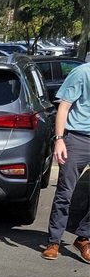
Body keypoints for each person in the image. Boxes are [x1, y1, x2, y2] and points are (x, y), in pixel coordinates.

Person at [43, 61, 90, 262]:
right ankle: (54, 241)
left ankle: (84, 238)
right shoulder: (81, 72)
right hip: (77, 139)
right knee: (65, 192)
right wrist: (59, 139)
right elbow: (64, 107)